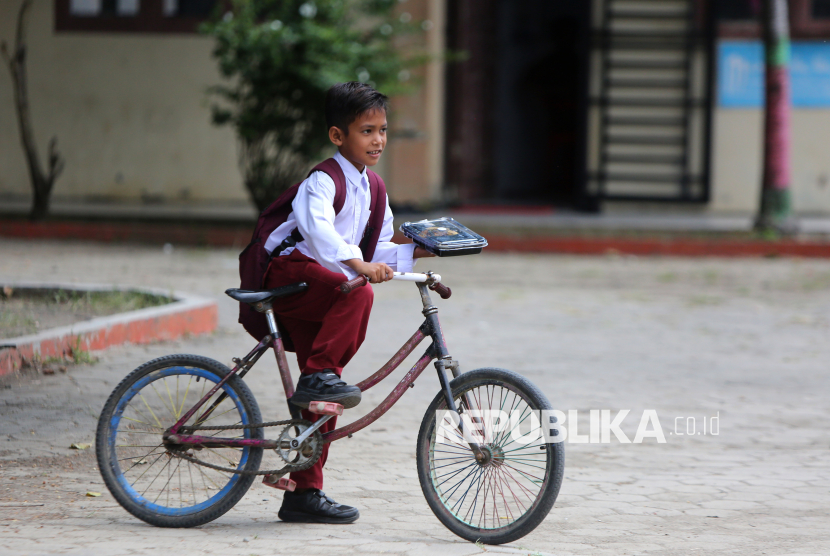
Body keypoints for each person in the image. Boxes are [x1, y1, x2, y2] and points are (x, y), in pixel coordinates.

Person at [262, 82, 433, 524]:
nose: (378, 140)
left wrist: (422, 250)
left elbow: (378, 250)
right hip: (290, 275)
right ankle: (319, 375)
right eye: (367, 131)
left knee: (326, 397)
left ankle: (303, 493)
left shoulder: (374, 189)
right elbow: (319, 236)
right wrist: (358, 265)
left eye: (383, 130)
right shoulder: (322, 180)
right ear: (339, 136)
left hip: (324, 284)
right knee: (359, 291)